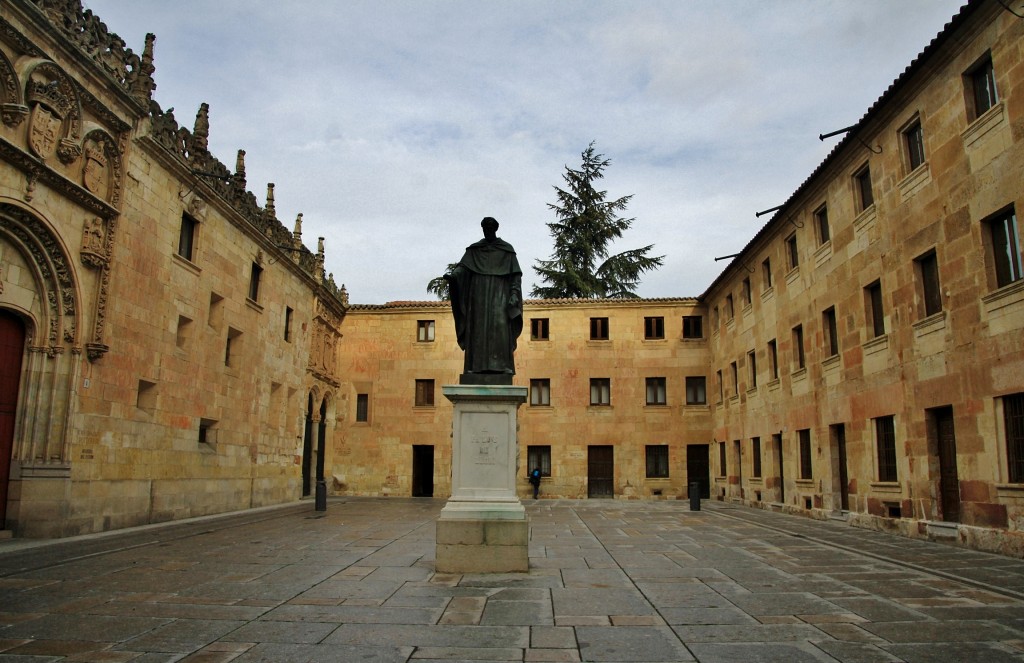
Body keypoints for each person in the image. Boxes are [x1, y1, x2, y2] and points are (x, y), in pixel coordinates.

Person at [445, 217, 523, 384]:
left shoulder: (506, 250)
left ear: (495, 229)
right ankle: (473, 367)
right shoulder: (474, 250)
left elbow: (515, 276)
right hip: (478, 296)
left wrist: (514, 294)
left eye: (489, 227)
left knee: (501, 328)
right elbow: (462, 268)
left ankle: (503, 366)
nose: (486, 230)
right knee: (478, 330)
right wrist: (453, 276)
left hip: (500, 295)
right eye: (484, 227)